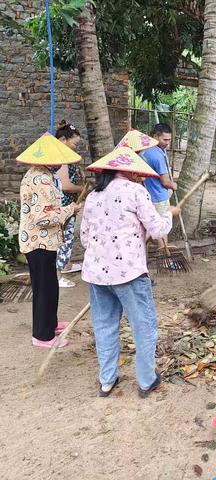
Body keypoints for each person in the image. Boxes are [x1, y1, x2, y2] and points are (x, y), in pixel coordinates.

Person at [80, 147, 180, 398]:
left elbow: (84, 238)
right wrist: (169, 214)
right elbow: (157, 230)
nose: (138, 175)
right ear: (125, 170)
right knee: (144, 327)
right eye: (134, 170)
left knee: (104, 327)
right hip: (129, 274)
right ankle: (146, 380)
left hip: (97, 274)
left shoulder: (93, 195)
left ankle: (106, 380)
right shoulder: (136, 192)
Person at [18, 132, 83, 348]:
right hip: (39, 241)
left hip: (44, 241)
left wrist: (66, 210)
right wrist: (70, 209)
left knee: (50, 285)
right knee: (44, 287)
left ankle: (50, 323)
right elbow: (43, 217)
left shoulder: (41, 174)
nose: (60, 163)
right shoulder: (41, 179)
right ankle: (42, 336)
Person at [55, 122, 84, 288]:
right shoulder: (61, 158)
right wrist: (82, 189)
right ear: (64, 139)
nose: (75, 147)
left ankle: (65, 266)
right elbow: (65, 185)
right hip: (64, 206)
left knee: (65, 238)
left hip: (67, 205)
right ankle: (57, 277)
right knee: (63, 239)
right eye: (75, 143)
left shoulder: (63, 156)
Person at [140, 123, 177, 250]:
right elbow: (165, 182)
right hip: (159, 196)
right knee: (162, 226)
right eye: (165, 139)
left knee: (150, 224)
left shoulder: (144, 151)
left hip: (147, 194)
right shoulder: (158, 156)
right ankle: (164, 253)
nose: (167, 143)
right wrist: (173, 185)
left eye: (169, 140)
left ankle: (144, 245)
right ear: (155, 136)